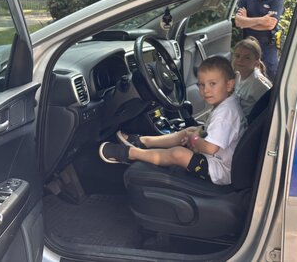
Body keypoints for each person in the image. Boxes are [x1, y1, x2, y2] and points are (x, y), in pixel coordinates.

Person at [99, 56, 245, 186]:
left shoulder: (225, 114)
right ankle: (143, 141)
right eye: (201, 85)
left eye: (212, 84)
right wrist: (195, 134)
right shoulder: (226, 104)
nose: (205, 90)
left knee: (178, 154)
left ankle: (131, 153)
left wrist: (193, 139)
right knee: (189, 131)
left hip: (220, 171)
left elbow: (210, 148)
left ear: (229, 85)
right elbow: (214, 134)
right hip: (219, 158)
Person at [234, 0, 284, 79]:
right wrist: (261, 20)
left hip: (268, 46)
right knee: (246, 75)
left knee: (270, 76)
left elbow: (270, 25)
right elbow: (238, 22)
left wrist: (246, 21)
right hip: (248, 46)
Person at [232, 37, 272, 118]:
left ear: (256, 62)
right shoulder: (238, 76)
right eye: (237, 56)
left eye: (247, 58)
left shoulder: (257, 83)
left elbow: (271, 105)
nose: (240, 60)